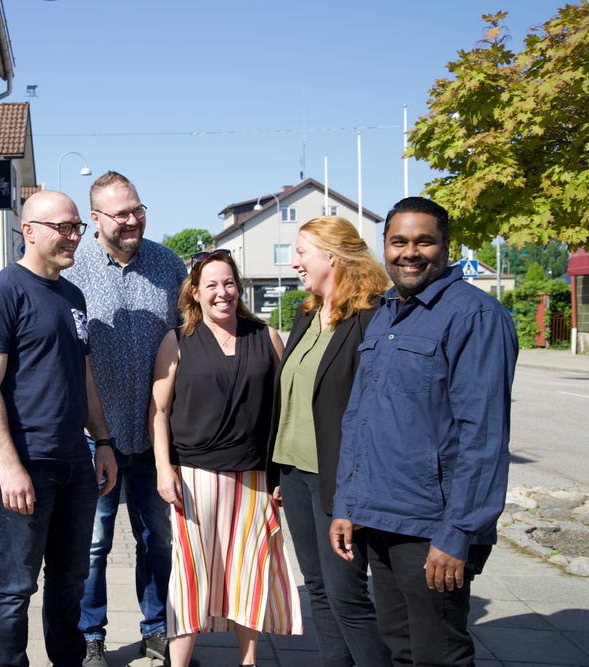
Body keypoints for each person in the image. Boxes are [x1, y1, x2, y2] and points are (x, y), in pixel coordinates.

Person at [329, 197, 518, 667]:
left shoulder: (475, 316)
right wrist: (347, 505)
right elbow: (360, 417)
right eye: (398, 242)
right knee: (403, 649)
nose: (409, 252)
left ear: (446, 247)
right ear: (385, 247)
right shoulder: (387, 313)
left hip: (433, 527)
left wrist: (458, 533)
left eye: (423, 241)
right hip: (378, 516)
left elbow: (484, 436)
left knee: (440, 654)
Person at [0, 190, 119, 667]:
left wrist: (105, 442)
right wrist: (10, 467)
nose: (74, 236)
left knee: (71, 580)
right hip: (26, 463)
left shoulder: (73, 295)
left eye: (77, 227)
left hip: (76, 461)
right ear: (28, 231)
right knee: (16, 585)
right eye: (63, 227)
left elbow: (85, 376)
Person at [150, 249, 303, 667]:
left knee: (248, 571)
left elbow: (284, 408)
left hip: (253, 477)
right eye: (212, 285)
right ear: (195, 293)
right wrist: (164, 468)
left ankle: (248, 661)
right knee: (191, 574)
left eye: (229, 283)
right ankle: (177, 663)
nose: (223, 293)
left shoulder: (266, 336)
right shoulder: (177, 340)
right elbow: (159, 411)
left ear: (239, 288)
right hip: (194, 479)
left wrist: (280, 475)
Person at [62, 171, 188, 667]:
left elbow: (192, 336)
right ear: (96, 219)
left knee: (156, 539)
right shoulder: (72, 270)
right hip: (96, 437)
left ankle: (156, 628)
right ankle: (90, 634)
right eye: (122, 213)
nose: (134, 219)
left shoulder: (168, 264)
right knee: (92, 546)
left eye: (138, 209)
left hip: (155, 436)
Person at [267, 216, 392, 667]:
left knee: (347, 597)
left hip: (338, 480)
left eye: (302, 253)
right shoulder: (306, 313)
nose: (296, 263)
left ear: (333, 257)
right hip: (293, 473)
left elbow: (372, 413)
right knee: (318, 589)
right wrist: (278, 471)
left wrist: (354, 494)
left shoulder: (370, 318)